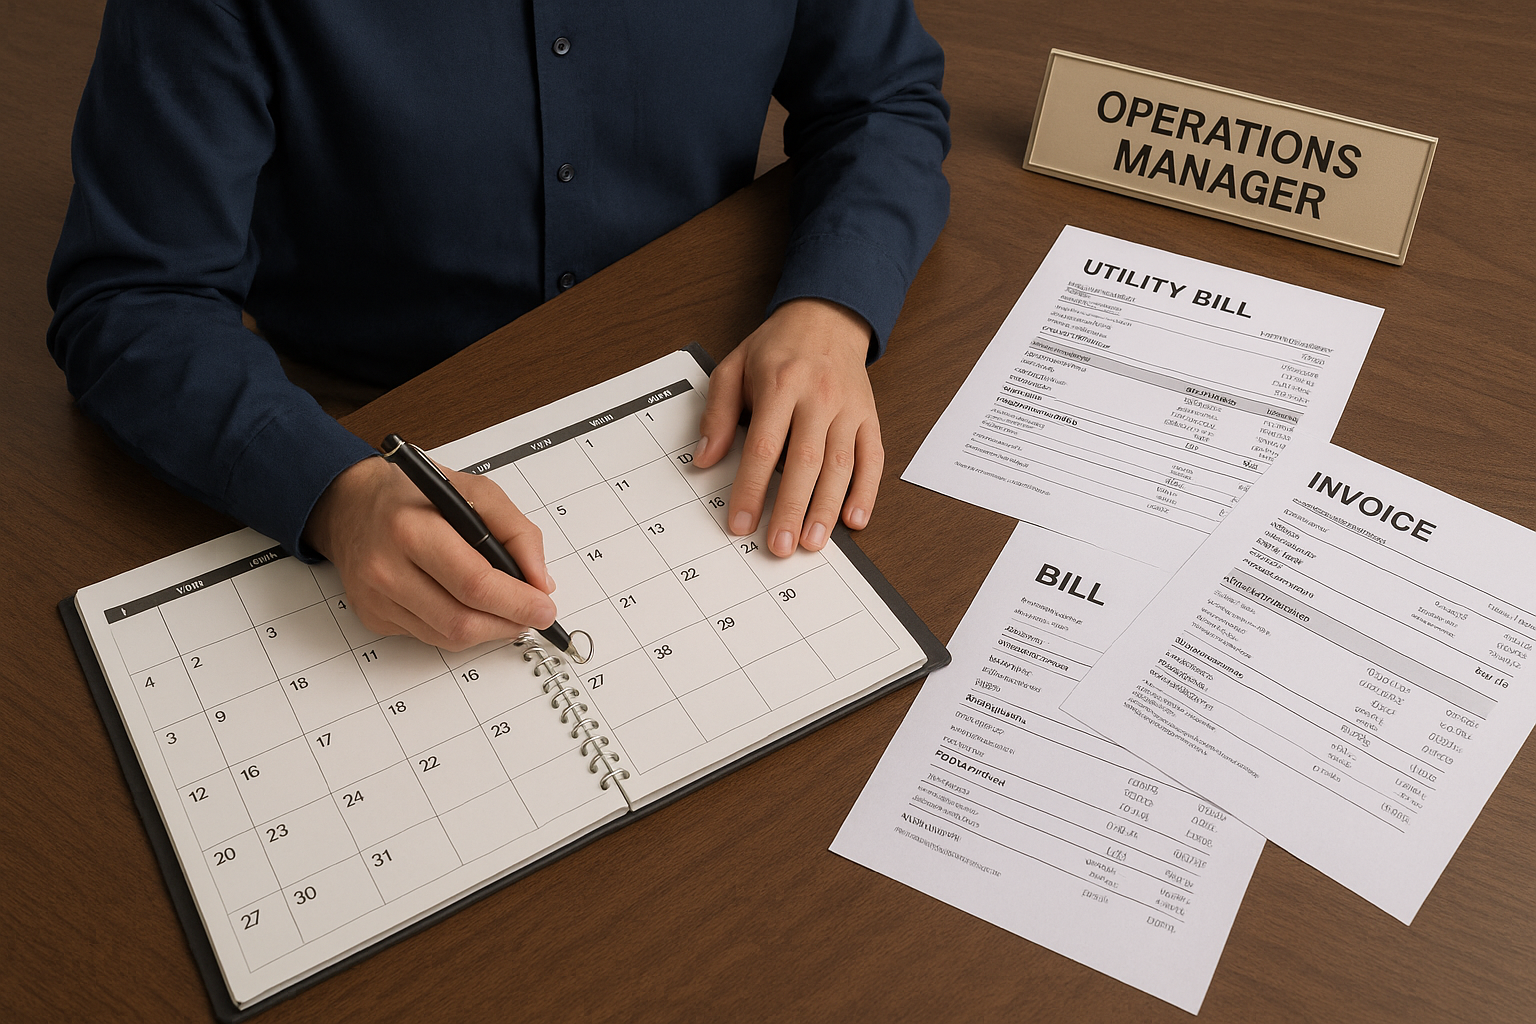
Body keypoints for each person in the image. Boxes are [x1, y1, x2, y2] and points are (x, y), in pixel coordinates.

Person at [48, 1, 951, 650]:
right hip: (374, 422)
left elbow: (882, 97)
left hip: (708, 385)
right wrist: (330, 491)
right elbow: (135, 297)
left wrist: (830, 306)